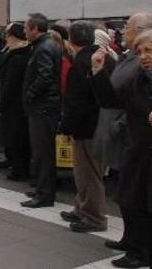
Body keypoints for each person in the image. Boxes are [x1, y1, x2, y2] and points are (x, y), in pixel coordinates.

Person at [91, 29, 152, 268]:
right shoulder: (138, 79)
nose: (144, 56)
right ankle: (137, 248)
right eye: (140, 52)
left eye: (149, 51)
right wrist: (98, 71)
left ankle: (142, 252)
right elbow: (111, 101)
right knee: (131, 200)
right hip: (137, 150)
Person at [60, 21, 114, 233]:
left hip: (88, 127)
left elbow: (76, 102)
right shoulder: (102, 57)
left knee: (88, 173)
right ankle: (81, 208)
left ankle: (94, 217)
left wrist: (67, 128)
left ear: (71, 40)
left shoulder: (82, 62)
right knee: (83, 172)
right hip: (99, 124)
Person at [21, 13, 62, 208]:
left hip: (43, 107)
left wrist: (30, 93)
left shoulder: (44, 48)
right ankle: (41, 188)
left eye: (26, 28)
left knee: (44, 152)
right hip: (42, 106)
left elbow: (45, 76)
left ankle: (45, 194)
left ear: (35, 29)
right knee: (40, 152)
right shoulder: (43, 45)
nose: (24, 31)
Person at [0, 23, 31, 181]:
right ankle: (16, 166)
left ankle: (19, 169)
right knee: (16, 137)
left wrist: (2, 103)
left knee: (17, 138)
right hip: (16, 103)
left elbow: (11, 84)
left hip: (15, 104)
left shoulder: (18, 57)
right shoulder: (15, 53)